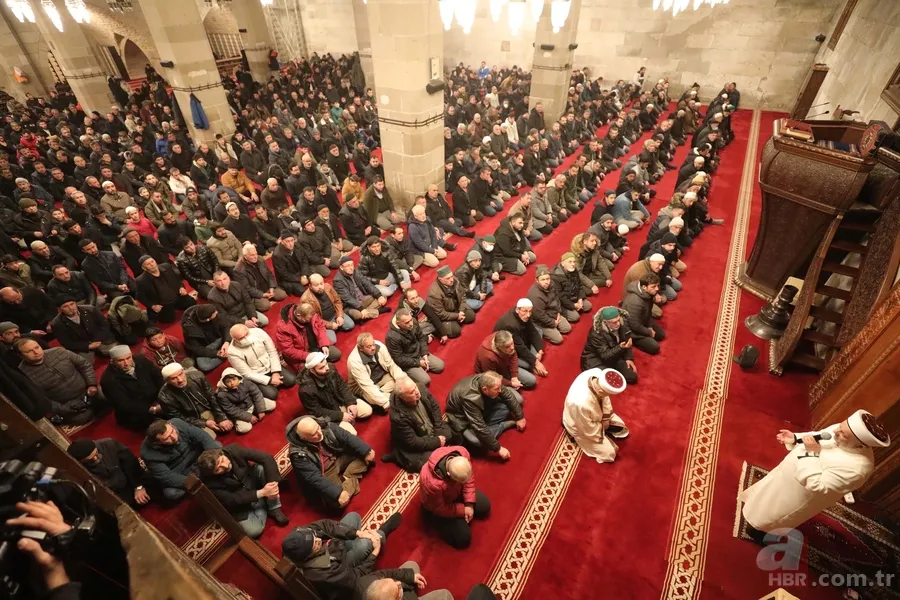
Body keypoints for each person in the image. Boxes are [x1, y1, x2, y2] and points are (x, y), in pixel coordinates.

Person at [740, 410, 890, 539]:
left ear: (860, 445)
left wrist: (812, 452)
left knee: (772, 515)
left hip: (799, 493)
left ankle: (760, 533)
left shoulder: (858, 469)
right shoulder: (842, 430)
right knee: (765, 496)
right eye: (840, 426)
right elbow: (820, 435)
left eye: (843, 434)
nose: (836, 431)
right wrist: (796, 438)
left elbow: (818, 485)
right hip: (785, 476)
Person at [281, 511, 404, 600]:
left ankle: (362, 539)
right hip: (337, 566)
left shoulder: (299, 537)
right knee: (368, 544)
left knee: (353, 517)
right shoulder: (322, 574)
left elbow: (325, 525)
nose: (318, 539)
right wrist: (375, 553)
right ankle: (383, 532)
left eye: (314, 537)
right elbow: (356, 576)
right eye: (315, 545)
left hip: (332, 549)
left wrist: (358, 533)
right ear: (306, 556)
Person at [285, 415, 375, 511]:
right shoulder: (297, 455)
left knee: (367, 456)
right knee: (338, 503)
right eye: (313, 434)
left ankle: (347, 478)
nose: (319, 433)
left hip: (338, 457)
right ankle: (351, 480)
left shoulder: (324, 425)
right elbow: (314, 478)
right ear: (303, 438)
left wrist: (366, 450)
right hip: (324, 471)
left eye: (318, 428)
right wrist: (338, 493)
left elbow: (347, 437)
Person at [197, 445, 289, 537]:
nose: (225, 466)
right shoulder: (209, 484)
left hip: (252, 481)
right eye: (218, 469)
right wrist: (262, 493)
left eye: (222, 460)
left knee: (261, 468)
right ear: (213, 474)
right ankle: (264, 503)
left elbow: (266, 458)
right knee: (254, 531)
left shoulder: (232, 450)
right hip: (241, 505)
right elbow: (233, 499)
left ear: (221, 453)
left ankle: (274, 508)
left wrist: (273, 487)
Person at [16, 339, 104, 425]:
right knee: (82, 418)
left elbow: (84, 365)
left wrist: (92, 384)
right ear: (21, 355)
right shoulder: (23, 374)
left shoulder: (59, 351)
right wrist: (64, 408)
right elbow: (41, 399)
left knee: (106, 398)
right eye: (29, 351)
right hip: (67, 403)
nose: (36, 352)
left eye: (37, 347)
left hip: (88, 391)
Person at [419, 446, 490, 549]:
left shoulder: (462, 453)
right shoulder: (431, 483)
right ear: (449, 474)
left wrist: (469, 503)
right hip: (438, 507)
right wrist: (463, 510)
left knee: (485, 506)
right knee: (463, 539)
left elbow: (468, 479)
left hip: (456, 491)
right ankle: (435, 522)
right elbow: (440, 508)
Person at [445, 371, 525, 460]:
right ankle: (502, 426)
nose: (500, 390)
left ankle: (489, 431)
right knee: (477, 440)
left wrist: (520, 417)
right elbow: (479, 427)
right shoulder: (470, 398)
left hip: (479, 410)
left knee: (506, 406)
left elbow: (508, 396)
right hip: (463, 420)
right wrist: (498, 448)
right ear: (485, 389)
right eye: (497, 389)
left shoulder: (491, 380)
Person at [140, 418, 221, 502]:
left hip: (196, 456)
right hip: (180, 471)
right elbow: (166, 476)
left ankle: (204, 473)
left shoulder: (177, 422)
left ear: (171, 425)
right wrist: (191, 481)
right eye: (167, 438)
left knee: (216, 446)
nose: (174, 437)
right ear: (157, 443)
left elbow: (202, 436)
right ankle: (207, 473)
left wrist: (210, 458)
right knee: (171, 493)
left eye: (172, 431)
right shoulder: (147, 453)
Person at [385, 377, 456, 473]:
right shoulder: (398, 417)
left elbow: (435, 407)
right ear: (403, 397)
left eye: (415, 387)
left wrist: (438, 429)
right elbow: (413, 442)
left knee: (455, 434)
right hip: (414, 440)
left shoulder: (421, 387)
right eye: (411, 392)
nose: (416, 392)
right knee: (434, 461)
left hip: (429, 430)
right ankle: (399, 456)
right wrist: (436, 441)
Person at [562, 367, 630, 464]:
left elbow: (605, 398)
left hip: (595, 416)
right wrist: (602, 429)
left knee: (622, 429)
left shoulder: (597, 374)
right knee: (610, 454)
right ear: (601, 391)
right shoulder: (580, 402)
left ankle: (603, 430)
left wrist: (605, 420)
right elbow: (586, 429)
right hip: (579, 425)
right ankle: (572, 434)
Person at [299, 351, 372, 436]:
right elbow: (317, 412)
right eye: (322, 367)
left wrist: (350, 402)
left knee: (368, 410)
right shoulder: (305, 390)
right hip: (330, 413)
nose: (327, 368)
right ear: (312, 370)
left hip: (341, 402)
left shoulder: (330, 368)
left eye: (326, 364)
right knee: (352, 434)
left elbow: (342, 386)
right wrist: (340, 416)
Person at [67, 437, 152, 507]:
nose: (96, 459)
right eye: (90, 460)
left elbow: (131, 464)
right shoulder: (77, 468)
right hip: (112, 494)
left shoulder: (109, 445)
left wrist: (138, 487)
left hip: (129, 481)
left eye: (96, 454)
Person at [100, 345, 165, 432]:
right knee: (159, 428)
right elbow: (124, 404)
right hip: (137, 411)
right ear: (112, 361)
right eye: (121, 360)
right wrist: (152, 409)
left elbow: (158, 376)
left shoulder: (141, 360)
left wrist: (164, 396)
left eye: (128, 358)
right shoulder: (108, 380)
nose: (126, 363)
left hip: (155, 398)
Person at [158, 362, 232, 438]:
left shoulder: (197, 376)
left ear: (184, 371)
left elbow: (212, 397)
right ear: (166, 381)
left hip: (211, 409)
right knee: (208, 437)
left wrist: (221, 417)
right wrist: (204, 423)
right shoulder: (164, 396)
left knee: (233, 424)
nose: (180, 380)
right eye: (173, 378)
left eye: (180, 374)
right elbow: (179, 418)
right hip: (193, 419)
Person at [227, 323, 296, 400]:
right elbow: (247, 373)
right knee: (272, 395)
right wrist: (270, 380)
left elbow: (272, 352)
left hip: (270, 366)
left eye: (246, 334)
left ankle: (276, 381)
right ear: (234, 339)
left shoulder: (258, 332)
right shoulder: (232, 352)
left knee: (292, 380)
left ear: (248, 330)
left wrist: (275, 372)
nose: (245, 338)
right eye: (241, 338)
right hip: (257, 374)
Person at [347, 332, 408, 412]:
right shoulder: (354, 361)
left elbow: (391, 365)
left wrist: (404, 381)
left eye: (373, 344)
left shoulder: (379, 346)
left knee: (400, 382)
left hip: (381, 378)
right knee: (388, 401)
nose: (373, 348)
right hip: (362, 386)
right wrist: (385, 402)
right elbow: (367, 386)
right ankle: (379, 397)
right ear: (361, 348)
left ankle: (381, 393)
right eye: (369, 346)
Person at [385, 308, 445, 387]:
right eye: (407, 322)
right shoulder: (391, 337)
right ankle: (414, 371)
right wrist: (418, 363)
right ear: (398, 323)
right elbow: (399, 359)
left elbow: (421, 337)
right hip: (407, 360)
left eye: (410, 320)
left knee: (440, 366)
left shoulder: (413, 321)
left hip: (418, 352)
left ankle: (421, 366)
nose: (410, 324)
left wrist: (424, 354)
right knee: (426, 380)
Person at [493, 299, 548, 384]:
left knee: (538, 331)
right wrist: (536, 362)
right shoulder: (510, 325)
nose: (528, 314)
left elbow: (532, 330)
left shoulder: (523, 314)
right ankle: (531, 363)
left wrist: (540, 352)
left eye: (530, 311)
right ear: (517, 310)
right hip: (509, 351)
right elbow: (520, 347)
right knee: (528, 367)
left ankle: (532, 360)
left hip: (520, 339)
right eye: (525, 311)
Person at [581, 306, 638, 384]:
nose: (618, 323)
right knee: (605, 382)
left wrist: (629, 358)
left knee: (632, 377)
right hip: (595, 359)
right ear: (605, 322)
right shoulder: (596, 333)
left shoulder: (622, 323)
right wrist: (620, 347)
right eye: (614, 322)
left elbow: (627, 341)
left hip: (615, 355)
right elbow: (605, 355)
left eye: (618, 320)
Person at [135, 256, 197, 323]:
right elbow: (140, 296)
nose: (152, 264)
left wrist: (182, 287)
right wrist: (152, 306)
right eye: (148, 264)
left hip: (176, 296)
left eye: (152, 261)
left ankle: (177, 306)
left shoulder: (166, 266)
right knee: (168, 320)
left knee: (192, 302)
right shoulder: (141, 280)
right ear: (144, 268)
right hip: (162, 304)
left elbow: (177, 279)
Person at [50, 297, 117, 359]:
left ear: (75, 303)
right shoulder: (57, 324)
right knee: (83, 363)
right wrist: (88, 346)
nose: (70, 308)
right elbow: (67, 343)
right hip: (82, 347)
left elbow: (105, 325)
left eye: (72, 304)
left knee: (117, 352)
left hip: (99, 339)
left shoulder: (90, 309)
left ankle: (100, 351)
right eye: (65, 306)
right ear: (60, 309)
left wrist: (98, 339)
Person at [215, 367, 277, 434]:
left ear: (238, 378)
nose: (232, 383)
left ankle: (256, 411)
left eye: (234, 379)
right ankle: (237, 421)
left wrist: (260, 410)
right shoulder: (222, 394)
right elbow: (231, 410)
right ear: (224, 383)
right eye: (228, 381)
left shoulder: (246, 383)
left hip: (252, 404)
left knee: (272, 405)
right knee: (244, 429)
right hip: (240, 411)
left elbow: (257, 394)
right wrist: (249, 417)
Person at [333, 256, 389, 323]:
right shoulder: (337, 280)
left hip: (363, 299)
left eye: (352, 265)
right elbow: (347, 298)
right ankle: (377, 311)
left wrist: (378, 295)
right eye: (348, 266)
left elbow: (366, 283)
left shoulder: (356, 271)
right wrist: (360, 309)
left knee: (383, 297)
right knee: (358, 315)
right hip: (351, 305)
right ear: (341, 267)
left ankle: (366, 315)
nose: (351, 268)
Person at [233, 244, 287, 312]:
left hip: (266, 288)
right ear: (245, 257)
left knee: (282, 295)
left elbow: (269, 274)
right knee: (266, 305)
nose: (255, 257)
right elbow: (247, 288)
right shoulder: (239, 270)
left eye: (256, 254)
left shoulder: (260, 259)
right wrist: (262, 295)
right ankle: (262, 300)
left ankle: (268, 296)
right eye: (252, 255)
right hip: (254, 295)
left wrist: (271, 287)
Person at [622, 273, 666, 355]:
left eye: (657, 285)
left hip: (643, 320)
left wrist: (649, 326)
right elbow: (634, 325)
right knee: (654, 348)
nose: (657, 289)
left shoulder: (648, 293)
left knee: (661, 335)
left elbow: (648, 312)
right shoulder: (635, 302)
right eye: (653, 287)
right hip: (632, 330)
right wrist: (649, 332)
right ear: (644, 287)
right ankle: (634, 341)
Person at [426, 266, 476, 338]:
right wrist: (457, 316)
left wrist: (461, 310)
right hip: (443, 316)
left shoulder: (455, 280)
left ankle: (457, 320)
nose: (452, 279)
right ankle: (436, 329)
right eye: (448, 278)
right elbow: (440, 314)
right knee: (455, 331)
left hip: (455, 308)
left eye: (451, 276)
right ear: (440, 280)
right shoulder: (434, 293)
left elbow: (463, 296)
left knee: (471, 316)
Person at [527, 265, 571, 345]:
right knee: (559, 339)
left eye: (547, 279)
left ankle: (555, 326)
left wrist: (558, 312)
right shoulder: (535, 295)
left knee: (567, 328)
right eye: (543, 279)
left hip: (553, 313)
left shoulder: (552, 284)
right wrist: (553, 322)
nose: (546, 282)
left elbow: (557, 298)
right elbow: (539, 316)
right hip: (541, 322)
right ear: (537, 280)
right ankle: (541, 331)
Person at [181, 304, 231, 373]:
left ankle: (228, 350)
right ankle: (229, 353)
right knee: (204, 366)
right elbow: (196, 348)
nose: (217, 313)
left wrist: (226, 341)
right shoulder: (189, 330)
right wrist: (217, 353)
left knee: (233, 332)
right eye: (215, 314)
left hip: (220, 339)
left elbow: (225, 326)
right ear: (207, 319)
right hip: (206, 347)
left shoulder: (211, 310)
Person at [271, 231, 308, 297]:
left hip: (299, 272)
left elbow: (304, 259)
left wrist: (304, 275)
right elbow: (284, 274)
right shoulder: (277, 255)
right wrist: (299, 279)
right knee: (301, 291)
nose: (291, 244)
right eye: (287, 241)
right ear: (282, 242)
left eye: (292, 240)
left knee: (315, 278)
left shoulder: (297, 245)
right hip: (287, 279)